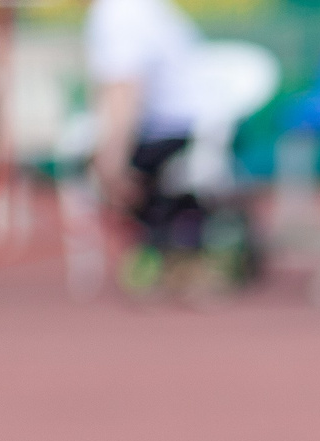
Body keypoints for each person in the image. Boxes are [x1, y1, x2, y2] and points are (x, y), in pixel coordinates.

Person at [84, 0, 209, 284]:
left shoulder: (116, 13)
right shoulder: (139, 6)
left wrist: (111, 160)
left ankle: (164, 246)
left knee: (106, 168)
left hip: (173, 131)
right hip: (199, 125)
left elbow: (125, 89)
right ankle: (178, 240)